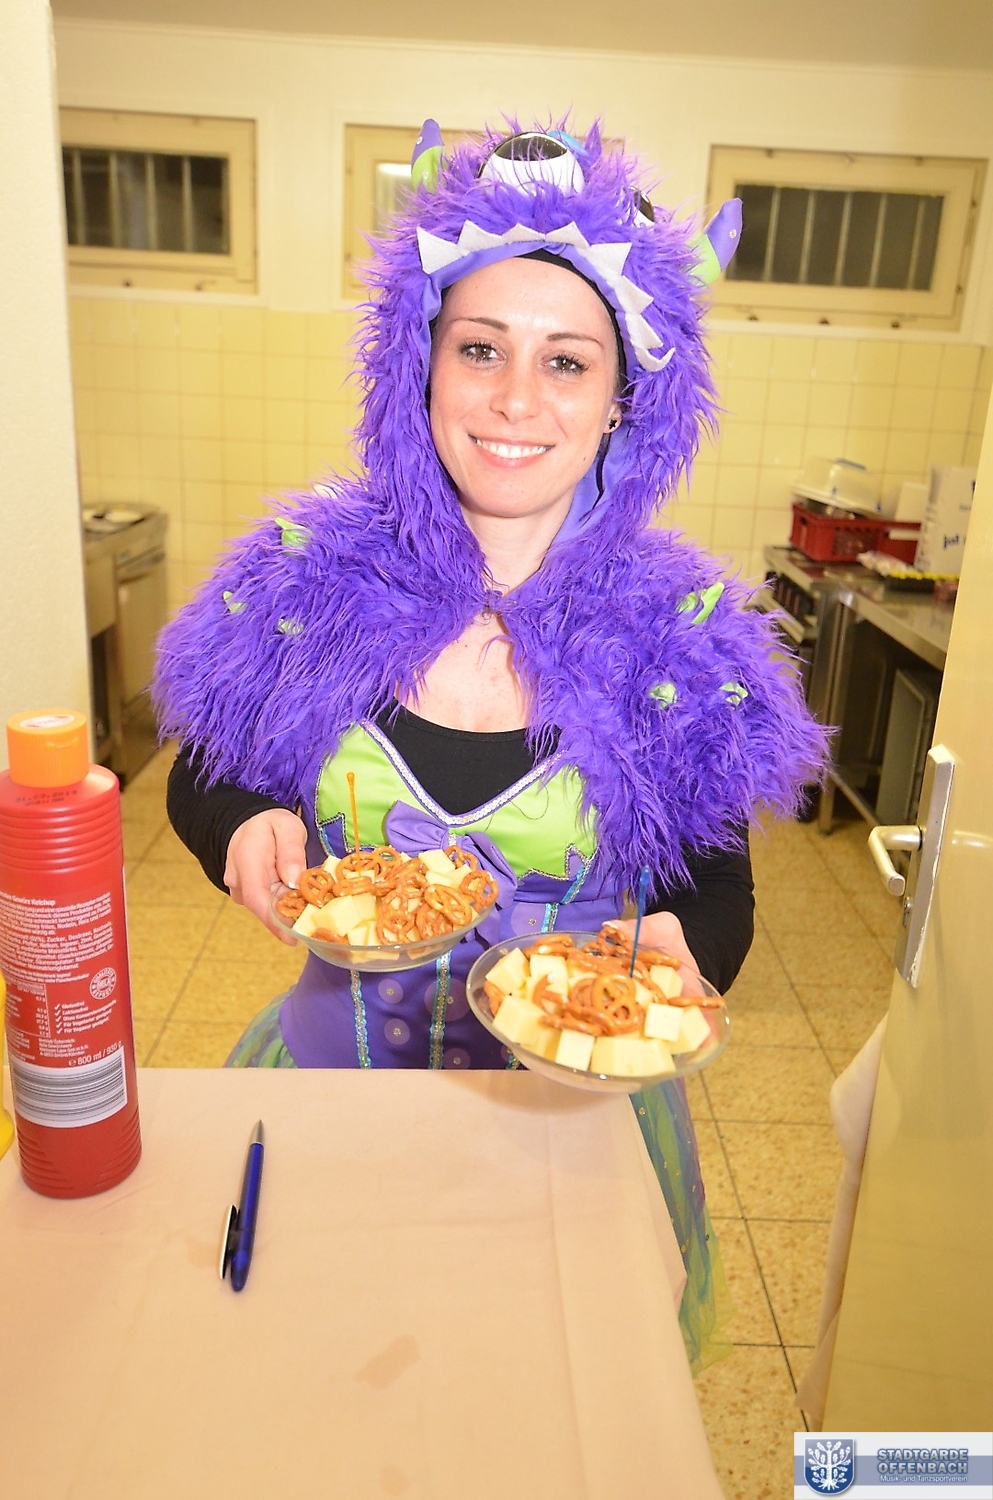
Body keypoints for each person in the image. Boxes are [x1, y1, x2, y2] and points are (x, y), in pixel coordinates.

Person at [154, 122, 826, 1370]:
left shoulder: (680, 645)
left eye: (566, 361)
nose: (518, 400)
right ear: (421, 367)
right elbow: (209, 769)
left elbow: (714, 890)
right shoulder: (309, 587)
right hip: (332, 1099)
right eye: (480, 348)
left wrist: (684, 953)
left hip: (566, 1137)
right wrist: (241, 825)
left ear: (623, 401)